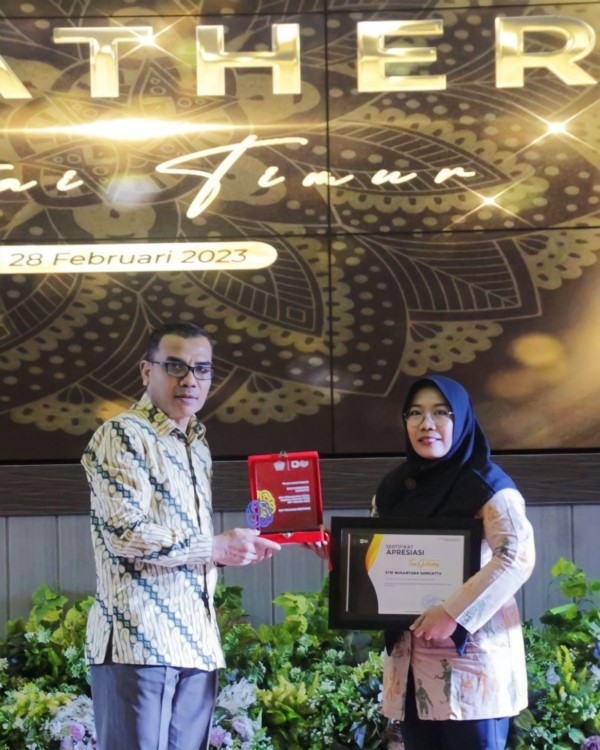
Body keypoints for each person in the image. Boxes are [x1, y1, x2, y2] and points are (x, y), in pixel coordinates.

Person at [81, 321, 281, 750]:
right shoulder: (122, 434)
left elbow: (191, 543)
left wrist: (238, 548)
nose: (190, 380)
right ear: (146, 371)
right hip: (139, 642)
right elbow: (124, 533)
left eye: (202, 369)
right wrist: (216, 546)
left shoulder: (196, 442)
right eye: (175, 367)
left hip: (196, 644)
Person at [372, 375, 535, 750]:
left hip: (472, 671)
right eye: (415, 413)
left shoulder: (489, 486)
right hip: (411, 671)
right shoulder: (393, 489)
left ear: (461, 419)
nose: (426, 424)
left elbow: (517, 556)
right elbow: (377, 555)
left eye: (440, 413)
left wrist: (453, 612)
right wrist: (338, 555)